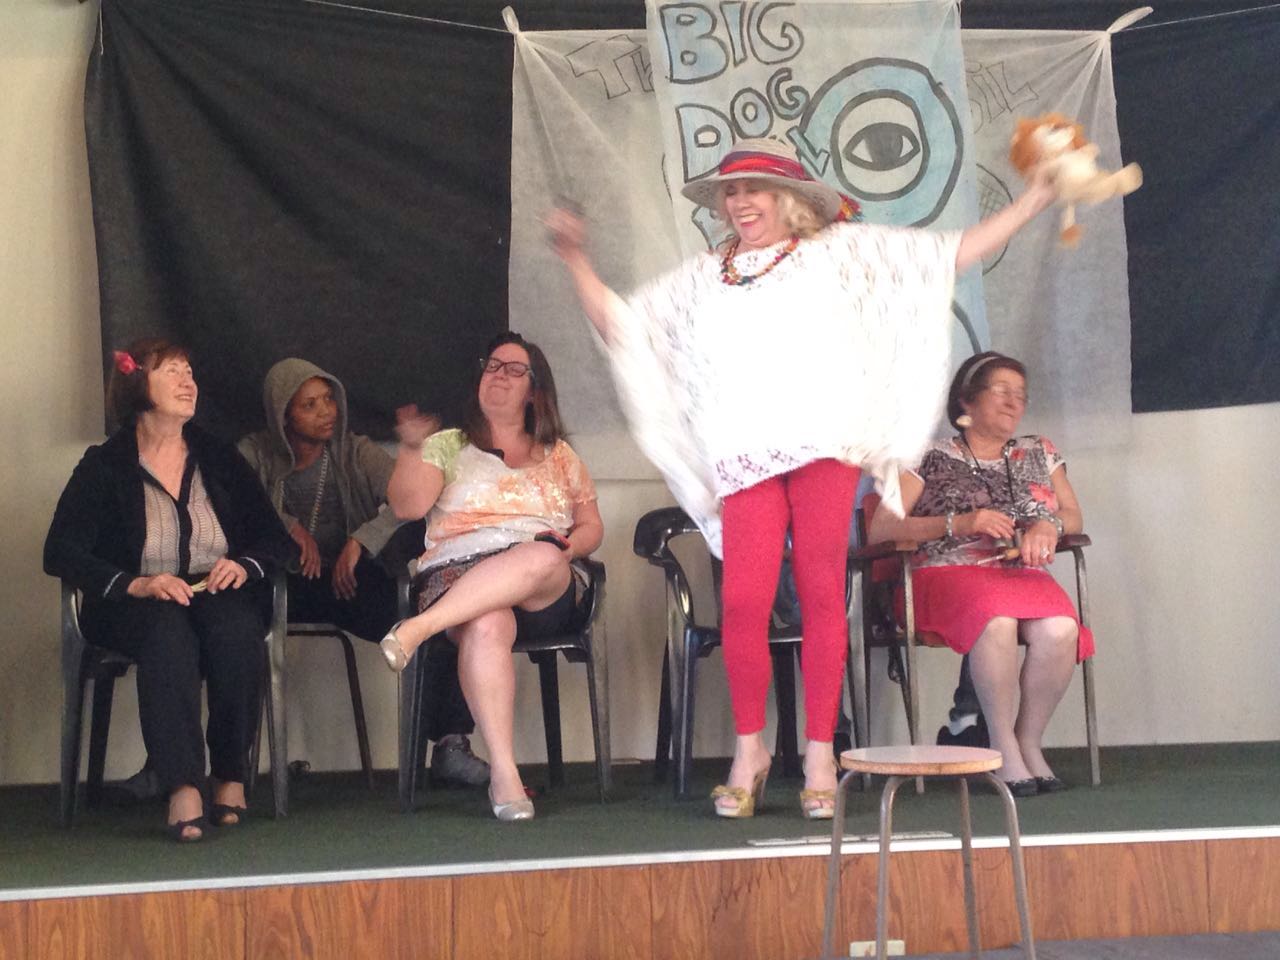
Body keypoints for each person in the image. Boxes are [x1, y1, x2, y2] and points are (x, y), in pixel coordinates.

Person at [547, 137, 1058, 819]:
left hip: (823, 448)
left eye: (754, 188)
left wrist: (1035, 200)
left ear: (789, 198)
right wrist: (575, 258)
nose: (740, 201)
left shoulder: (836, 252)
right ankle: (750, 752)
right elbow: (625, 327)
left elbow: (948, 255)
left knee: (821, 597)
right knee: (743, 603)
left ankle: (820, 754)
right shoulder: (703, 277)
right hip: (745, 456)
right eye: (731, 191)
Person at [44, 339, 296, 841]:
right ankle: (182, 784)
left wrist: (243, 565)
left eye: (190, 372)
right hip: (134, 600)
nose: (188, 382)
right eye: (172, 372)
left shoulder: (218, 457)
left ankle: (229, 774)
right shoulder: (105, 465)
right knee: (166, 636)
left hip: (213, 590)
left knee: (235, 633)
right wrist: (135, 583)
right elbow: (61, 551)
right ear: (139, 385)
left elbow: (275, 540)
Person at [378, 333, 604, 822]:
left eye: (514, 369)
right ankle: (505, 775)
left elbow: (591, 526)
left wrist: (571, 547)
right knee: (487, 622)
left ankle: (418, 628)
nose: (499, 375)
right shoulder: (447, 445)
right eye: (492, 365)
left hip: (542, 588)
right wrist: (412, 447)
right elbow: (407, 507)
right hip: (459, 574)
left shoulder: (560, 455)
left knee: (545, 554)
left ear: (535, 391)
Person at [237, 358, 487, 787]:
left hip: (346, 582)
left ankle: (451, 744)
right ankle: (230, 767)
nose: (326, 412)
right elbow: (237, 504)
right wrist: (289, 527)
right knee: (227, 631)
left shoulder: (355, 451)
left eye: (329, 399)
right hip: (279, 584)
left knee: (431, 620)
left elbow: (410, 500)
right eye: (310, 405)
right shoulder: (254, 453)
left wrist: (362, 540)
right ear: (283, 415)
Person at [868, 351, 1095, 796]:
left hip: (1019, 576)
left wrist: (1048, 525)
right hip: (943, 573)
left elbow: (1073, 515)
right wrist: (961, 523)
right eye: (1002, 391)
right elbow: (882, 527)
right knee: (996, 621)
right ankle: (1001, 746)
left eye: (1021, 395)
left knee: (1061, 629)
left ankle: (1028, 741)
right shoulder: (929, 455)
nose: (1014, 403)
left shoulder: (1039, 451)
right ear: (967, 400)